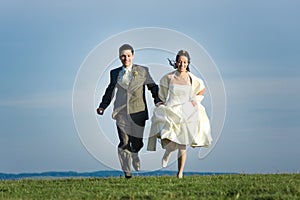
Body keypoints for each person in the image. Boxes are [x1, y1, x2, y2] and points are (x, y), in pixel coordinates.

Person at [96, 44, 161, 178]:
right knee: (124, 142)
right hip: (121, 112)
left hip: (138, 112)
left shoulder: (143, 71)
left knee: (137, 142)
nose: (126, 58)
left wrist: (158, 100)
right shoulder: (114, 73)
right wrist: (103, 106)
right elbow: (110, 91)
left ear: (133, 56)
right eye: (123, 56)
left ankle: (135, 154)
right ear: (120, 57)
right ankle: (127, 172)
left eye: (128, 56)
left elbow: (152, 87)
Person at [147, 50, 212, 178]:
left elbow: (202, 89)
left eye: (185, 62)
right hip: (172, 110)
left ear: (188, 64)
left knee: (182, 143)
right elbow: (162, 95)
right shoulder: (169, 77)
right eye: (180, 62)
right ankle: (167, 152)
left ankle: (180, 173)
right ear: (176, 63)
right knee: (170, 139)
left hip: (186, 112)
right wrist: (161, 103)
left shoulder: (192, 78)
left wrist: (195, 100)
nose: (182, 64)